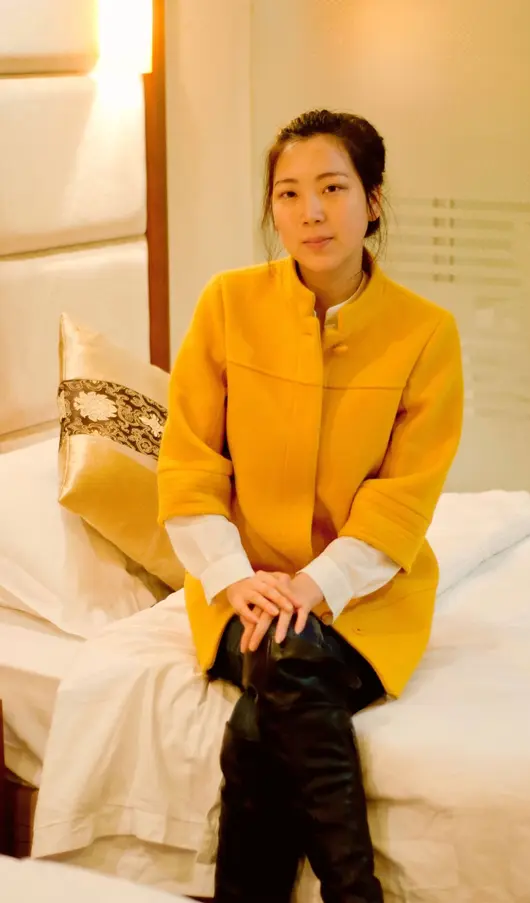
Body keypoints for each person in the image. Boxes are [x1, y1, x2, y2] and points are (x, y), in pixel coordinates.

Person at [157, 109, 463, 903]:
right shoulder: (227, 304)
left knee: (269, 702)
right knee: (289, 656)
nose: (310, 213)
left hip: (368, 598)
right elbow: (189, 464)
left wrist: (317, 585)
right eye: (288, 193)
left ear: (373, 199)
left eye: (332, 188)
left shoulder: (426, 334)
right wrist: (232, 576)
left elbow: (402, 499)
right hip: (242, 589)